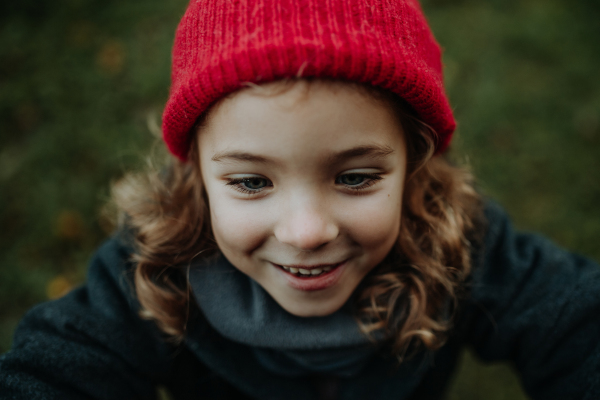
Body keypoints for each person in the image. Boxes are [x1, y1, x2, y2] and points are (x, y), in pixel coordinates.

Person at [1, 0, 599, 399]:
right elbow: (64, 361)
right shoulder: (154, 268)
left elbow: (576, 322)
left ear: (415, 163)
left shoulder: (464, 244)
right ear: (198, 174)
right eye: (252, 182)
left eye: (356, 177)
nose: (307, 231)